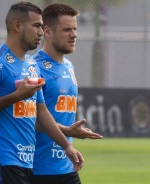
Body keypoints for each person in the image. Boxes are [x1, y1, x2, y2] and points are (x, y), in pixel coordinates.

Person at [0, 2, 84, 184]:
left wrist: (67, 146)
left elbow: (42, 111)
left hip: (27, 161)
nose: (40, 32)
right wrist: (16, 96)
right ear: (17, 26)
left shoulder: (31, 65)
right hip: (3, 159)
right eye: (36, 25)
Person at [32, 4, 103, 184]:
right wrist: (68, 132)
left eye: (75, 29)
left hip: (65, 165)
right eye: (67, 30)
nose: (74, 35)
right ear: (47, 32)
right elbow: (30, 118)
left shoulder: (68, 67)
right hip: (38, 169)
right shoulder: (34, 68)